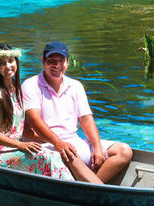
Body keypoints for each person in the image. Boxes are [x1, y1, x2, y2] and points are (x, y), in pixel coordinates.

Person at [21, 41, 133, 185]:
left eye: (61, 61)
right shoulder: (31, 85)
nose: (57, 65)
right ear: (43, 62)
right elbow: (34, 121)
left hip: (74, 142)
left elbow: (86, 119)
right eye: (51, 61)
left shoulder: (75, 86)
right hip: (48, 145)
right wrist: (58, 143)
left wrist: (97, 147)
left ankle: (86, 187)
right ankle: (99, 192)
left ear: (67, 62)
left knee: (124, 151)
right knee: (69, 154)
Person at [0, 43, 73, 181]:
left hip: (13, 149)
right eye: (2, 63)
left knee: (55, 154)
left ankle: (67, 188)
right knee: (44, 157)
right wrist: (21, 145)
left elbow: (21, 129)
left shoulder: (16, 89)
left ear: (16, 62)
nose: (8, 66)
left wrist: (57, 141)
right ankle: (69, 192)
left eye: (11, 61)